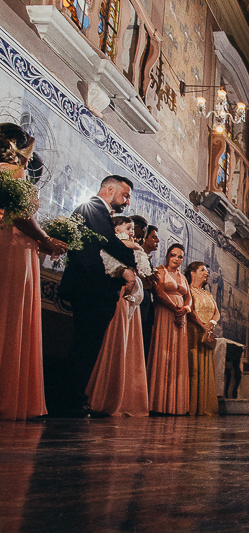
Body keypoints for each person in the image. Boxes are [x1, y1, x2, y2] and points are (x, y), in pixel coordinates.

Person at [0, 123, 68, 420]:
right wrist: (46, 239)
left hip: (14, 242)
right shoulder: (12, 172)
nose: (31, 157)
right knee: (10, 311)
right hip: (14, 246)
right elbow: (20, 216)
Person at [60, 174, 138, 415]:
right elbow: (108, 241)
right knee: (86, 345)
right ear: (110, 190)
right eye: (125, 196)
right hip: (90, 288)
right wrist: (132, 259)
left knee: (88, 345)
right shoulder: (93, 208)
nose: (126, 202)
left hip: (93, 288)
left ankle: (74, 398)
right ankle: (71, 401)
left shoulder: (98, 212)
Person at [85, 218, 149, 418]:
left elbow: (140, 268)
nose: (132, 232)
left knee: (126, 342)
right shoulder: (113, 243)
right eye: (128, 228)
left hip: (130, 299)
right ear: (116, 228)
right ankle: (100, 394)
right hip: (117, 292)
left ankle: (120, 394)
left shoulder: (131, 246)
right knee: (113, 338)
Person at [147, 243, 191, 415]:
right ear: (167, 256)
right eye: (173, 255)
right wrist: (175, 308)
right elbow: (159, 293)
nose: (176, 259)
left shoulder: (183, 277)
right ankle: (157, 403)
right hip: (165, 314)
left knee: (177, 356)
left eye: (180, 257)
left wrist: (185, 309)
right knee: (163, 352)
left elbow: (188, 296)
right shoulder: (159, 271)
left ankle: (175, 404)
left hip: (180, 318)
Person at [186, 261, 220, 416]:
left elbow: (217, 313)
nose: (206, 273)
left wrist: (211, 324)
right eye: (202, 270)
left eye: (207, 271)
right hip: (193, 331)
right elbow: (191, 311)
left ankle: (204, 405)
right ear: (192, 273)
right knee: (193, 366)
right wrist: (202, 325)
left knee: (206, 367)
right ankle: (192, 405)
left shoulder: (208, 294)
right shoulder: (188, 290)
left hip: (207, 334)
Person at [139, 224, 160, 358]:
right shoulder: (136, 256)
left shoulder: (147, 259)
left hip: (147, 309)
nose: (157, 240)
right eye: (154, 237)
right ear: (144, 238)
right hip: (138, 306)